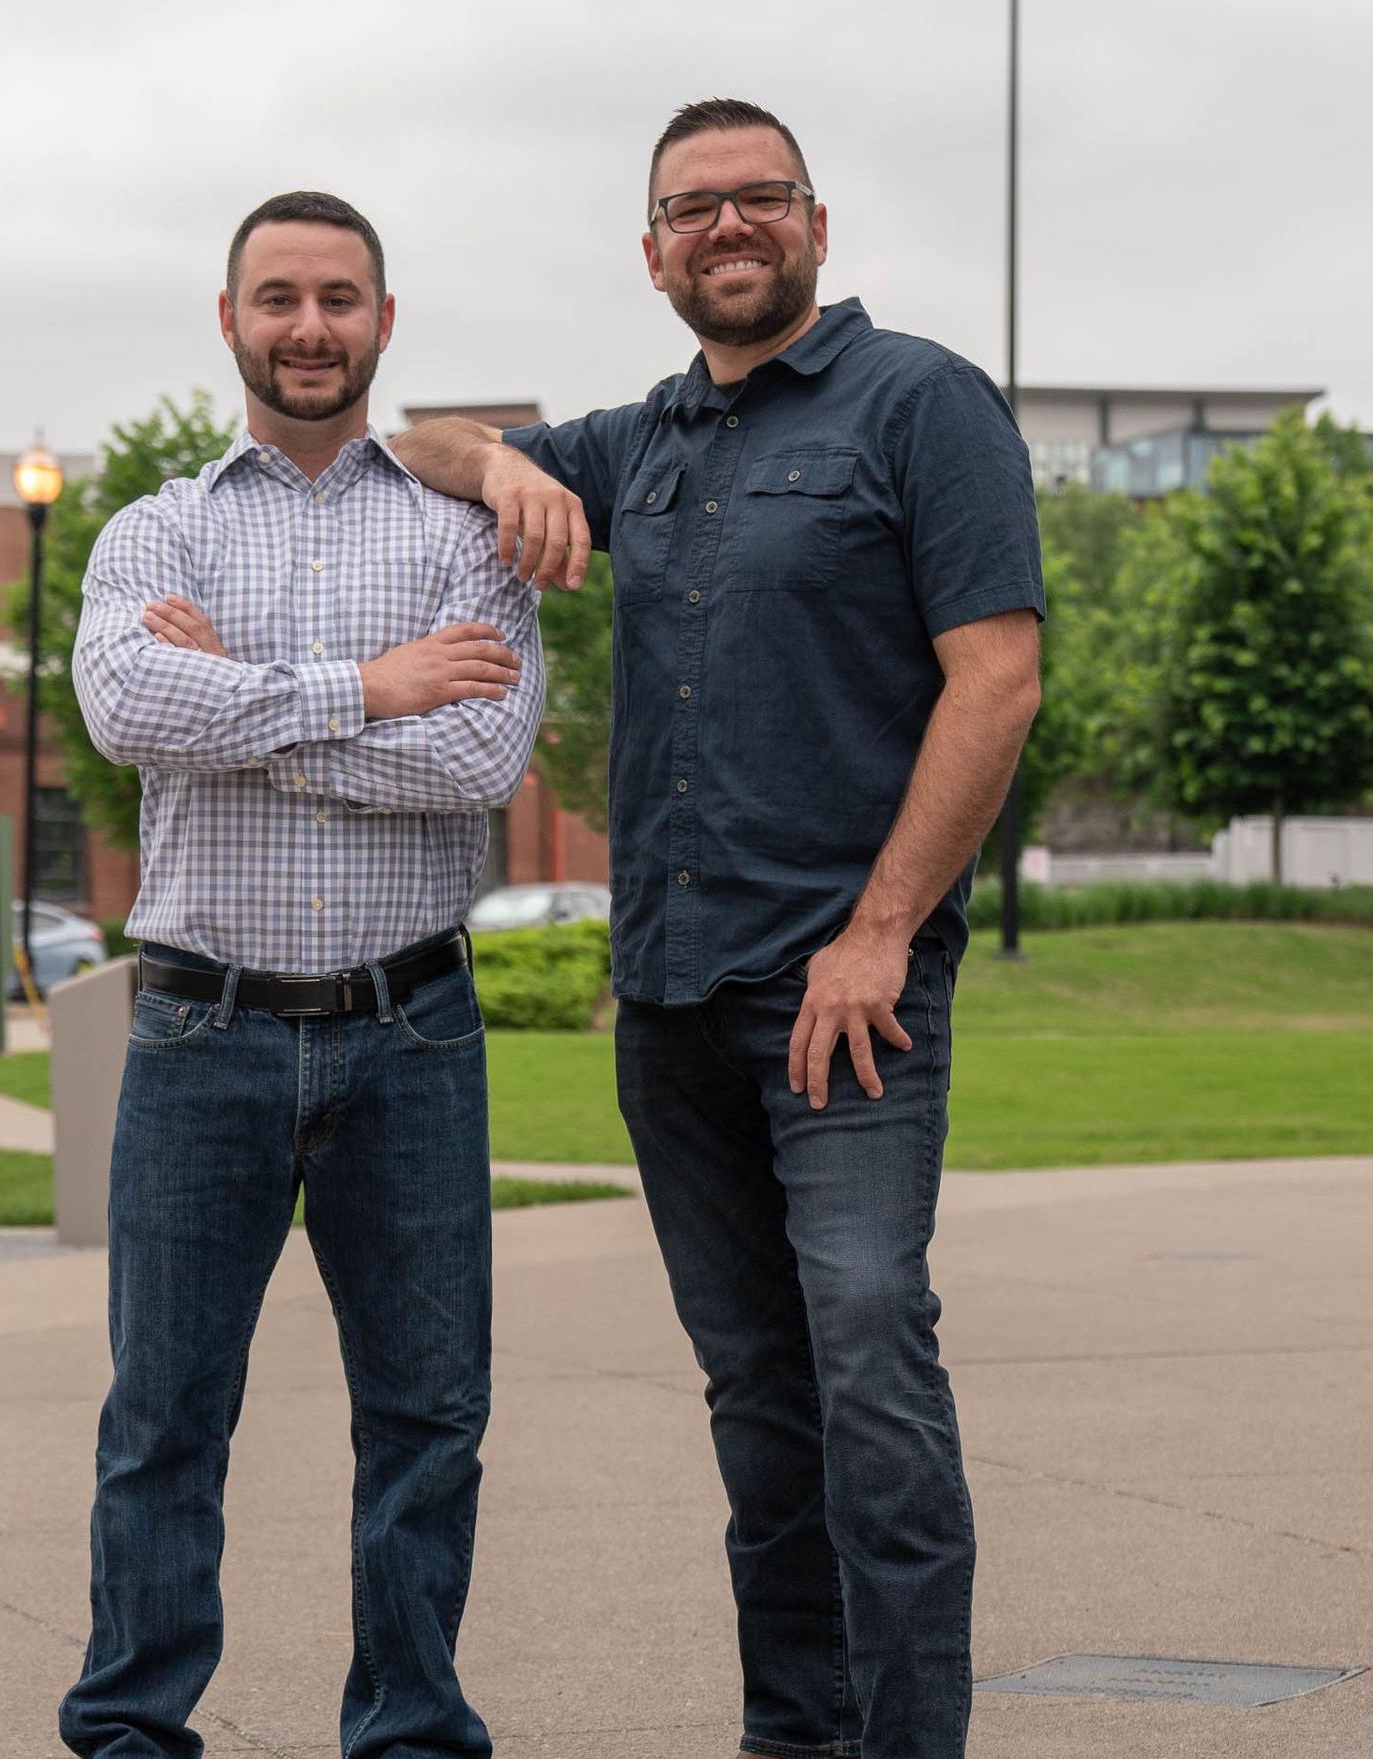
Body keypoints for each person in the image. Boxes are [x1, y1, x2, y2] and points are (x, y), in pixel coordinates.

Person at [393, 99, 1044, 1759]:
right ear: (653, 250)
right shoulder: (646, 439)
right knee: (759, 1401)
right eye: (695, 208)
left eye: (761, 199)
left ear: (817, 226)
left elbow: (999, 676)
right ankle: (795, 1734)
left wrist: (882, 928)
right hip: (672, 1004)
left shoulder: (923, 404)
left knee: (871, 1367)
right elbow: (423, 439)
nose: (728, 228)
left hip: (847, 1003)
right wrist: (513, 465)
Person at [60, 190, 544, 1759]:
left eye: (341, 298)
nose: (310, 326)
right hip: (200, 1032)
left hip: (415, 1030)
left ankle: (408, 1733)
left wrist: (246, 707)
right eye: (279, 298)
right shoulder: (156, 527)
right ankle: (132, 1730)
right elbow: (131, 710)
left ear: (385, 323)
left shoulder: (465, 534)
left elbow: (479, 752)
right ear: (230, 320)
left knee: (426, 1423)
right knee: (163, 1420)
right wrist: (363, 688)